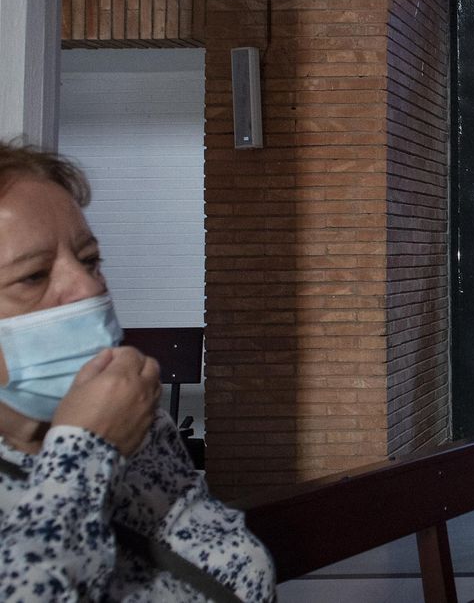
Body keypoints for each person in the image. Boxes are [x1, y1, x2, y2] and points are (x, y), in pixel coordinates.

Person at [0, 139, 275, 601]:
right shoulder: (106, 433)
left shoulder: (135, 422)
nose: (88, 287)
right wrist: (87, 451)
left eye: (89, 261)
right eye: (33, 276)